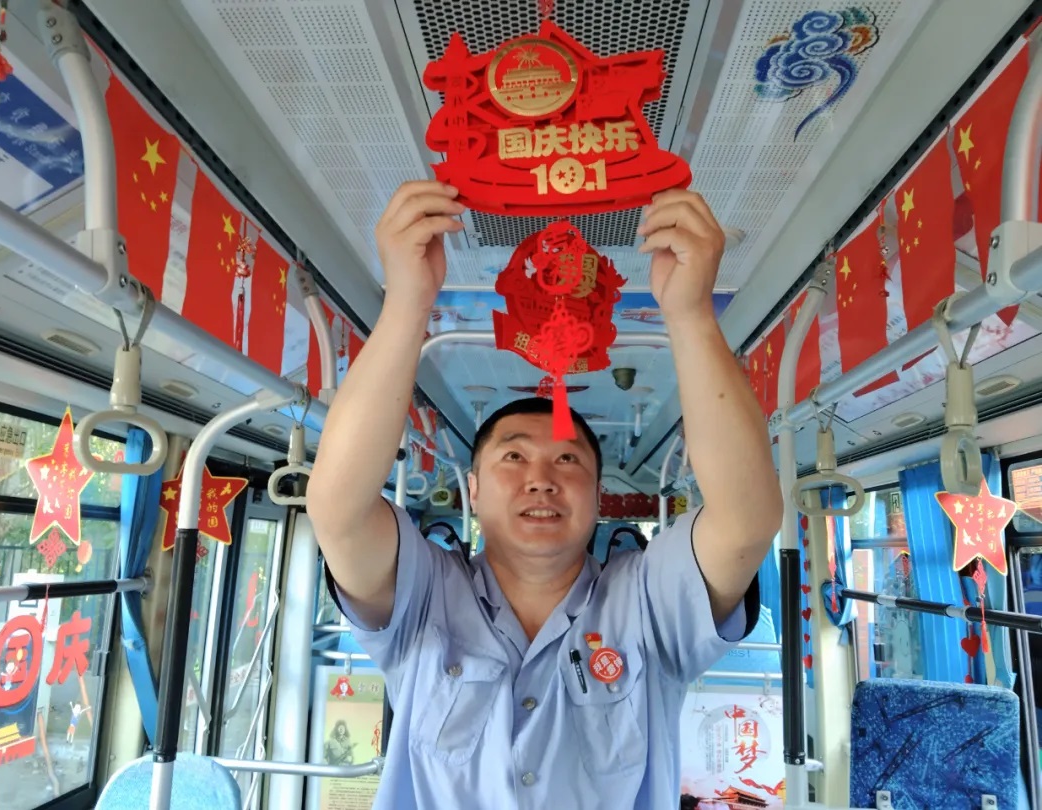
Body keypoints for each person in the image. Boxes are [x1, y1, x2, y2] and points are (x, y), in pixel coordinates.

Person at [307, 181, 783, 809]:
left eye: (567, 459)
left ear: (598, 495)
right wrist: (406, 304)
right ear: (474, 490)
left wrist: (691, 314)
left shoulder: (646, 606)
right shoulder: (423, 598)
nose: (541, 478)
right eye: (513, 456)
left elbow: (746, 521)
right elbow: (338, 511)